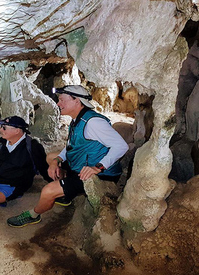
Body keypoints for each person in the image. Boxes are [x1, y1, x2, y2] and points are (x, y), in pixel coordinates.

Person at [7, 85, 129, 228]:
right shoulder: (77, 119)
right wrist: (56, 161)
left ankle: (33, 215)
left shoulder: (93, 123)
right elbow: (72, 145)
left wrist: (98, 167)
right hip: (82, 165)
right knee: (51, 158)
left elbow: (121, 146)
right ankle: (66, 194)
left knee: (47, 191)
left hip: (99, 174)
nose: (58, 104)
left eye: (62, 100)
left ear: (77, 101)